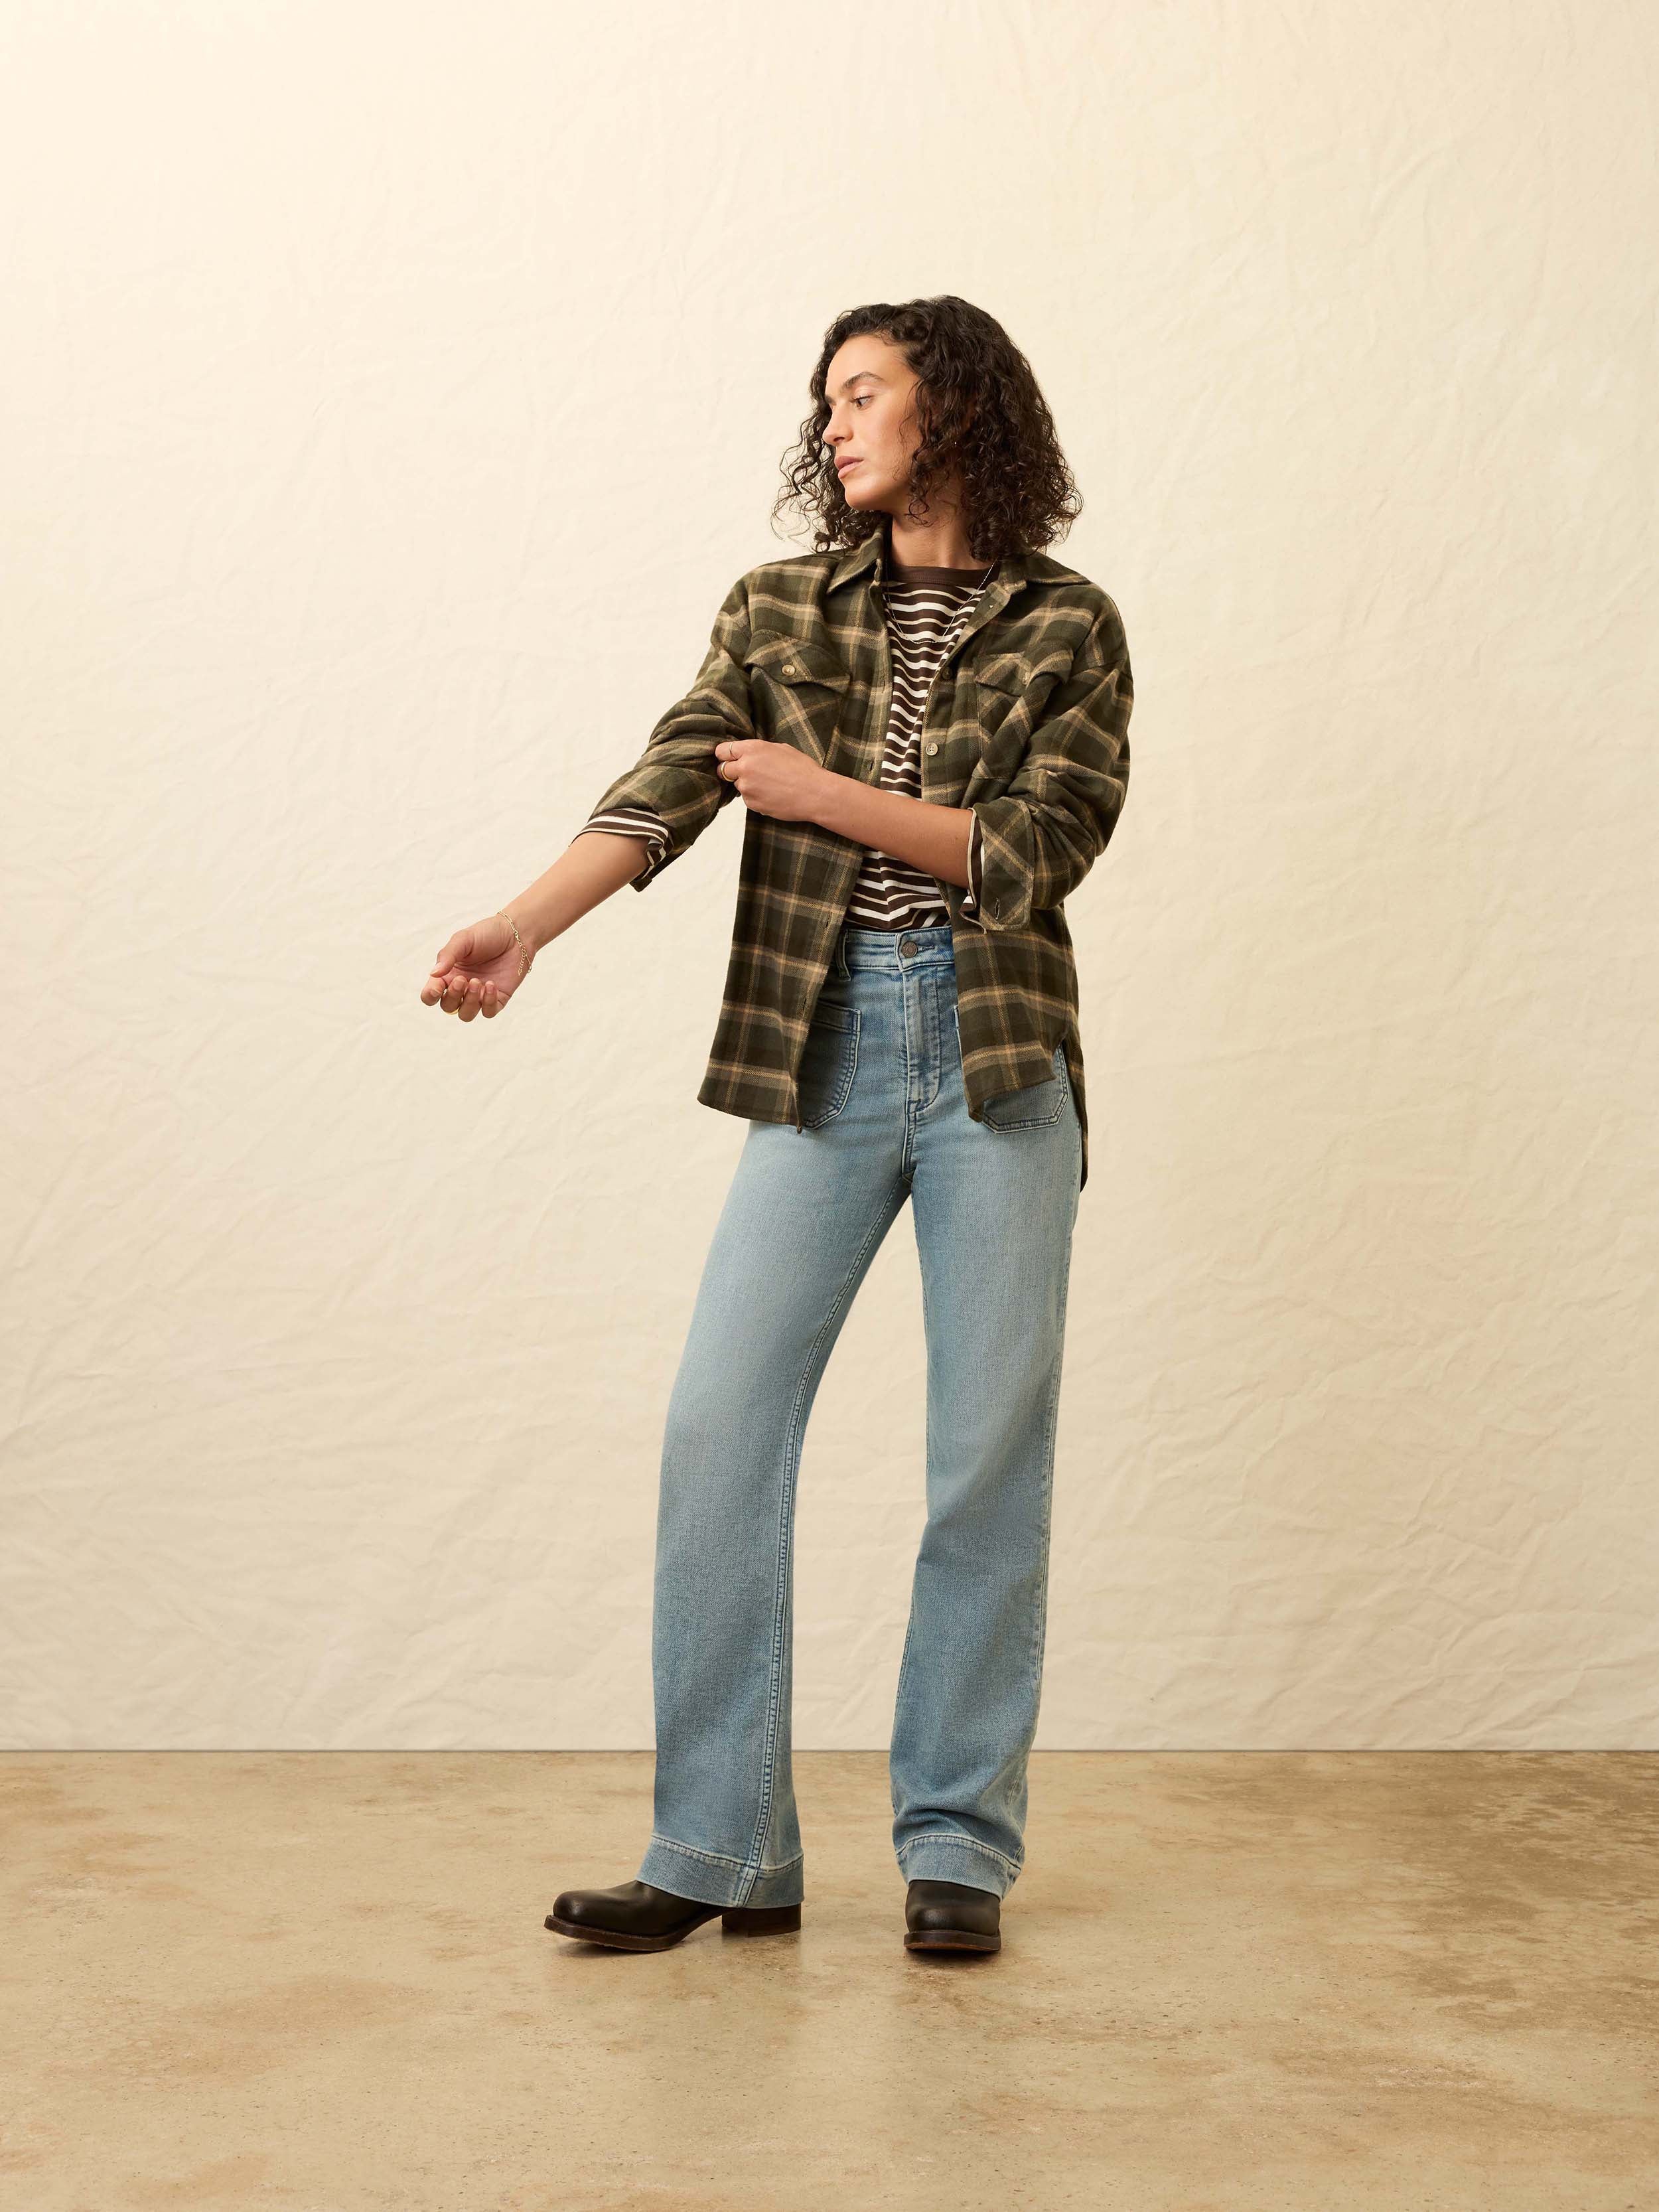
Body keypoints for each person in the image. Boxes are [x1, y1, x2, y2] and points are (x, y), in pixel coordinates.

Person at [420, 295, 1134, 1959]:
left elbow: (1034, 850)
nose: (832, 424)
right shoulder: (779, 609)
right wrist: (526, 924)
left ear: (951, 406)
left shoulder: (1068, 626)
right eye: (826, 400)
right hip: (820, 1044)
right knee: (718, 1424)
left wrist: (821, 796)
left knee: (983, 1456)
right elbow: (673, 778)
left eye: (862, 393)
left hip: (995, 1059)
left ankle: (956, 1845)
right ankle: (721, 1846)